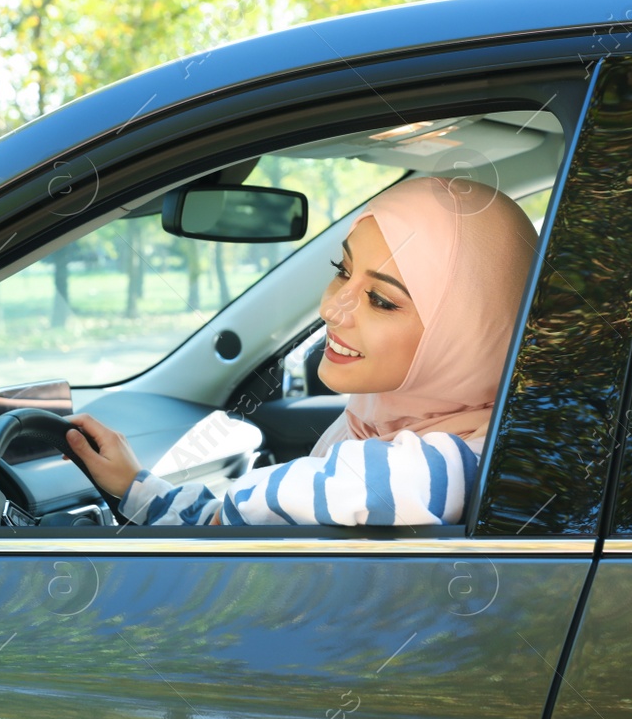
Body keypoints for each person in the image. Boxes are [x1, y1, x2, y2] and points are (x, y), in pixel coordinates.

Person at [62, 174, 539, 526]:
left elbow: (363, 487)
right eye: (342, 269)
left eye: (381, 300)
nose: (333, 309)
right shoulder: (379, 420)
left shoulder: (465, 462)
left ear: (467, 334)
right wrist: (138, 489)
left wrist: (223, 510)